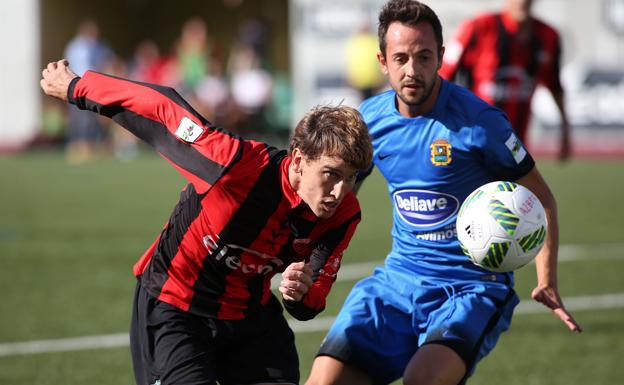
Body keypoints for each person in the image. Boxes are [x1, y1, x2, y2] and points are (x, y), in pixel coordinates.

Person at [40, 59, 373, 385]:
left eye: (351, 178)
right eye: (331, 175)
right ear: (299, 161)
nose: (340, 191)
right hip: (175, 306)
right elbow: (161, 106)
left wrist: (298, 294)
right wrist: (76, 87)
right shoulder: (236, 166)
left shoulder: (343, 216)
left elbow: (313, 298)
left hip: (250, 319)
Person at [305, 1, 581, 385]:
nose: (412, 70)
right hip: (397, 282)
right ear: (382, 61)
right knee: (323, 381)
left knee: (423, 379)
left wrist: (546, 278)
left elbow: (542, 197)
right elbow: (332, 200)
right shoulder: (369, 122)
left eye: (424, 56)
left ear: (441, 58)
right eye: (400, 58)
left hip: (471, 289)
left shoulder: (481, 123)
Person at [439, 0, 571, 160]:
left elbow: (555, 85)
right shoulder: (478, 27)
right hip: (472, 139)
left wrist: (565, 130)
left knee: (523, 181)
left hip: (516, 145)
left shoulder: (548, 36)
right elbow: (443, 75)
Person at [63, 19, 114, 163]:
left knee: (93, 118)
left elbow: (108, 60)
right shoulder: (75, 46)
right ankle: (77, 147)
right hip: (77, 84)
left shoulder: (100, 46)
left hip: (94, 85)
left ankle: (90, 147)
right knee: (79, 118)